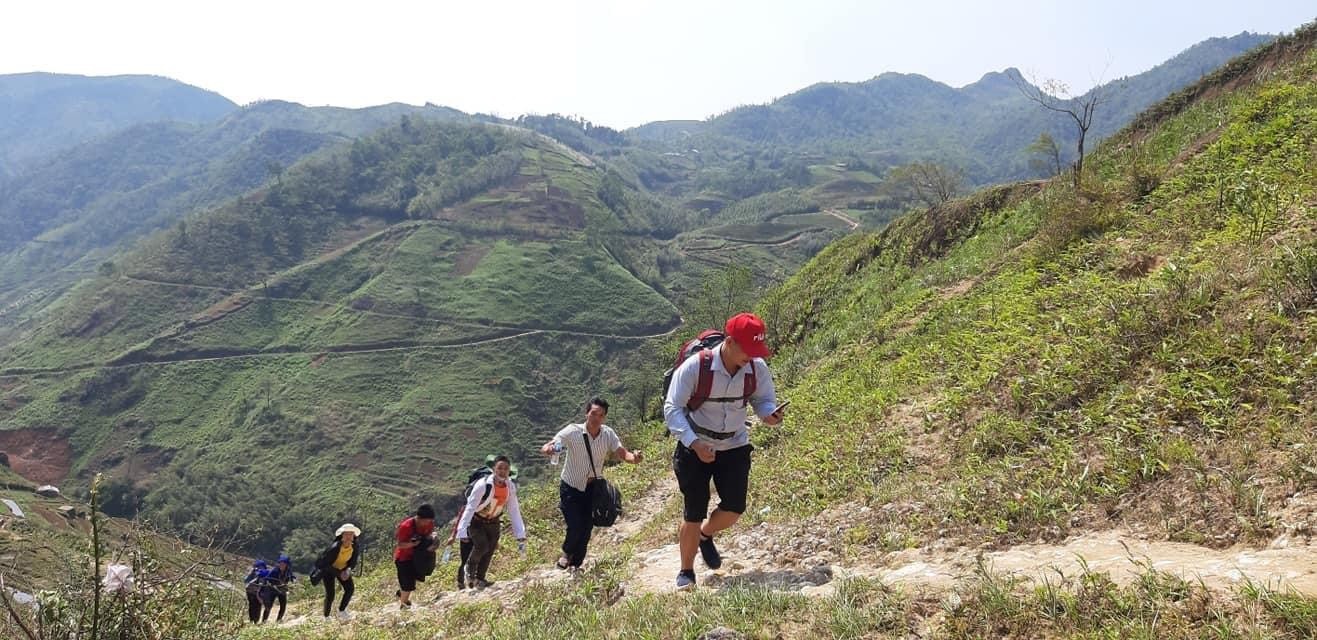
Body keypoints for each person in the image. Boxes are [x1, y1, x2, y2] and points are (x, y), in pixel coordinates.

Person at [664, 312, 781, 590]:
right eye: (748, 349)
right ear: (729, 342)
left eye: (756, 350)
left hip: (734, 443)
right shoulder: (696, 367)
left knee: (735, 507)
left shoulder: (756, 368)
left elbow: (763, 400)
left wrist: (769, 414)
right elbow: (672, 408)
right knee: (694, 510)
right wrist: (694, 443)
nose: (752, 356)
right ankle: (686, 571)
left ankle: (705, 535)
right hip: (695, 444)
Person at [539, 397, 643, 570]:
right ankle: (566, 554)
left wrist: (634, 458)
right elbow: (553, 443)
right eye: (594, 413)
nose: (596, 418)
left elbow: (622, 452)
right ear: (587, 413)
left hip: (592, 488)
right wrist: (548, 449)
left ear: (604, 417)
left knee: (587, 527)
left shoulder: (608, 434)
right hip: (571, 486)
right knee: (575, 523)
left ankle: (576, 564)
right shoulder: (572, 431)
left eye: (601, 415)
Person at [456, 455, 527, 589]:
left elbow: (514, 510)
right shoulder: (483, 485)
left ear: (509, 471)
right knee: (482, 546)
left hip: (494, 521)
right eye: (500, 468)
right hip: (477, 520)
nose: (502, 471)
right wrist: (462, 530)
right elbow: (470, 507)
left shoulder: (510, 487)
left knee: (490, 550)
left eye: (506, 469)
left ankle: (480, 579)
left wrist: (520, 533)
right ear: (494, 469)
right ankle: (469, 570)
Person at [314, 523, 361, 620]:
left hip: (343, 568)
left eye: (351, 534)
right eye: (346, 534)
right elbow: (324, 564)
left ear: (354, 536)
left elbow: (353, 561)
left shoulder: (355, 547)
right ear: (342, 536)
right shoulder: (335, 547)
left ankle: (342, 610)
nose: (348, 537)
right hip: (329, 570)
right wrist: (339, 573)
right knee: (330, 594)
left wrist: (348, 570)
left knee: (350, 589)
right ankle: (326, 616)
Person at [394, 504, 437, 609]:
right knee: (407, 583)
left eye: (430, 521)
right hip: (403, 557)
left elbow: (430, 534)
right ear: (419, 518)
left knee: (418, 577)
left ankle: (402, 593)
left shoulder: (430, 523)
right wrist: (412, 544)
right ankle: (404, 605)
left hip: (418, 556)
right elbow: (400, 544)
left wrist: (433, 539)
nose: (427, 523)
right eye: (426, 521)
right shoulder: (406, 526)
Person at [263, 554, 295, 622]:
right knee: (268, 606)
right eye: (281, 563)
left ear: (287, 564)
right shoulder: (274, 570)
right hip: (272, 590)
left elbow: (292, 578)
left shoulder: (288, 571)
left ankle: (278, 620)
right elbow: (266, 579)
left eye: (284, 564)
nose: (282, 565)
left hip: (282, 590)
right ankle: (264, 621)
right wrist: (271, 585)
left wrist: (291, 584)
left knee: (283, 606)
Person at [243, 559, 271, 624]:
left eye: (261, 567)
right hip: (250, 591)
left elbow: (264, 584)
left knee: (257, 606)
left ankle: (255, 621)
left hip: (257, 591)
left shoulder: (265, 573)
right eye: (258, 566)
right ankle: (252, 620)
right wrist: (252, 573)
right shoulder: (253, 572)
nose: (259, 568)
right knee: (252, 605)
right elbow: (245, 580)